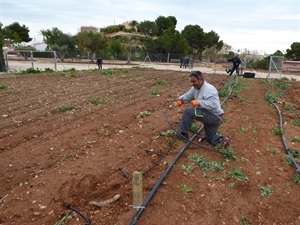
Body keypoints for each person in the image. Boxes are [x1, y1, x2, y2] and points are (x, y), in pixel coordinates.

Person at [175, 71, 230, 148]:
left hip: (213, 116)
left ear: (201, 79)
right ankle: (222, 140)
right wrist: (181, 100)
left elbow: (214, 104)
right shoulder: (195, 88)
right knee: (210, 137)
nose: (193, 83)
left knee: (189, 112)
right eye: (192, 81)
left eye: (194, 81)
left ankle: (182, 134)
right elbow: (188, 96)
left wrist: (199, 102)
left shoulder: (209, 89)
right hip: (212, 118)